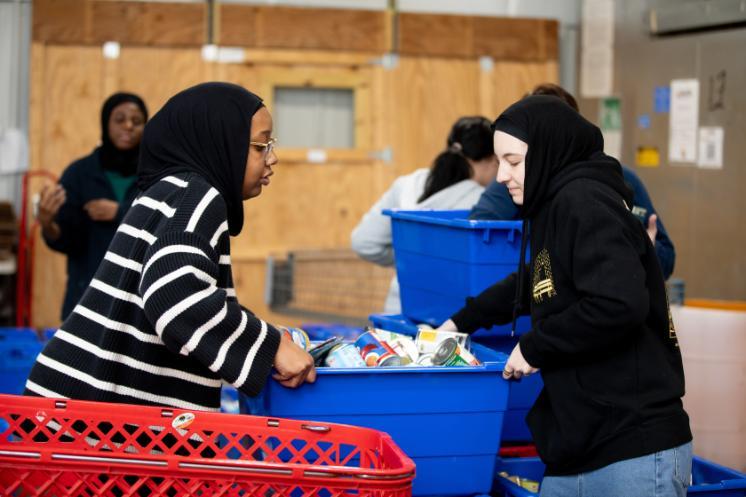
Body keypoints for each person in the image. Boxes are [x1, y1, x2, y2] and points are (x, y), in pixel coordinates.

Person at [440, 96, 692, 496]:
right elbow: (533, 280)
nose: (502, 175)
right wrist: (459, 322)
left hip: (633, 445)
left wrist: (536, 346)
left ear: (546, 152)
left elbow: (617, 303)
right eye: (499, 161)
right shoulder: (553, 206)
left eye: (513, 162)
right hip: (580, 444)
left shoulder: (585, 202)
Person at [25, 82, 315, 410]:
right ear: (222, 144)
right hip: (94, 424)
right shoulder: (201, 197)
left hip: (69, 408)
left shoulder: (169, 190)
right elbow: (174, 295)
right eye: (261, 145)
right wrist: (270, 346)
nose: (272, 158)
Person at [470, 83, 676, 280]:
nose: (503, 174)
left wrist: (643, 250)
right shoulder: (515, 179)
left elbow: (662, 260)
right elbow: (476, 230)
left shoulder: (619, 180)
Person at [351, 116, 498, 313]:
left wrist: (412, 256)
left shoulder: (408, 183)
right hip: (452, 319)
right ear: (490, 160)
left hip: (399, 311)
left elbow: (363, 241)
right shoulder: (484, 202)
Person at [37, 93, 149, 320]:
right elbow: (67, 239)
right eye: (119, 119)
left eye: (137, 121)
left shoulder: (154, 173)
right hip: (87, 296)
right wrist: (48, 223)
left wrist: (120, 211)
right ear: (105, 123)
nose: (128, 126)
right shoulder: (80, 173)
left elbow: (167, 218)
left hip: (140, 299)